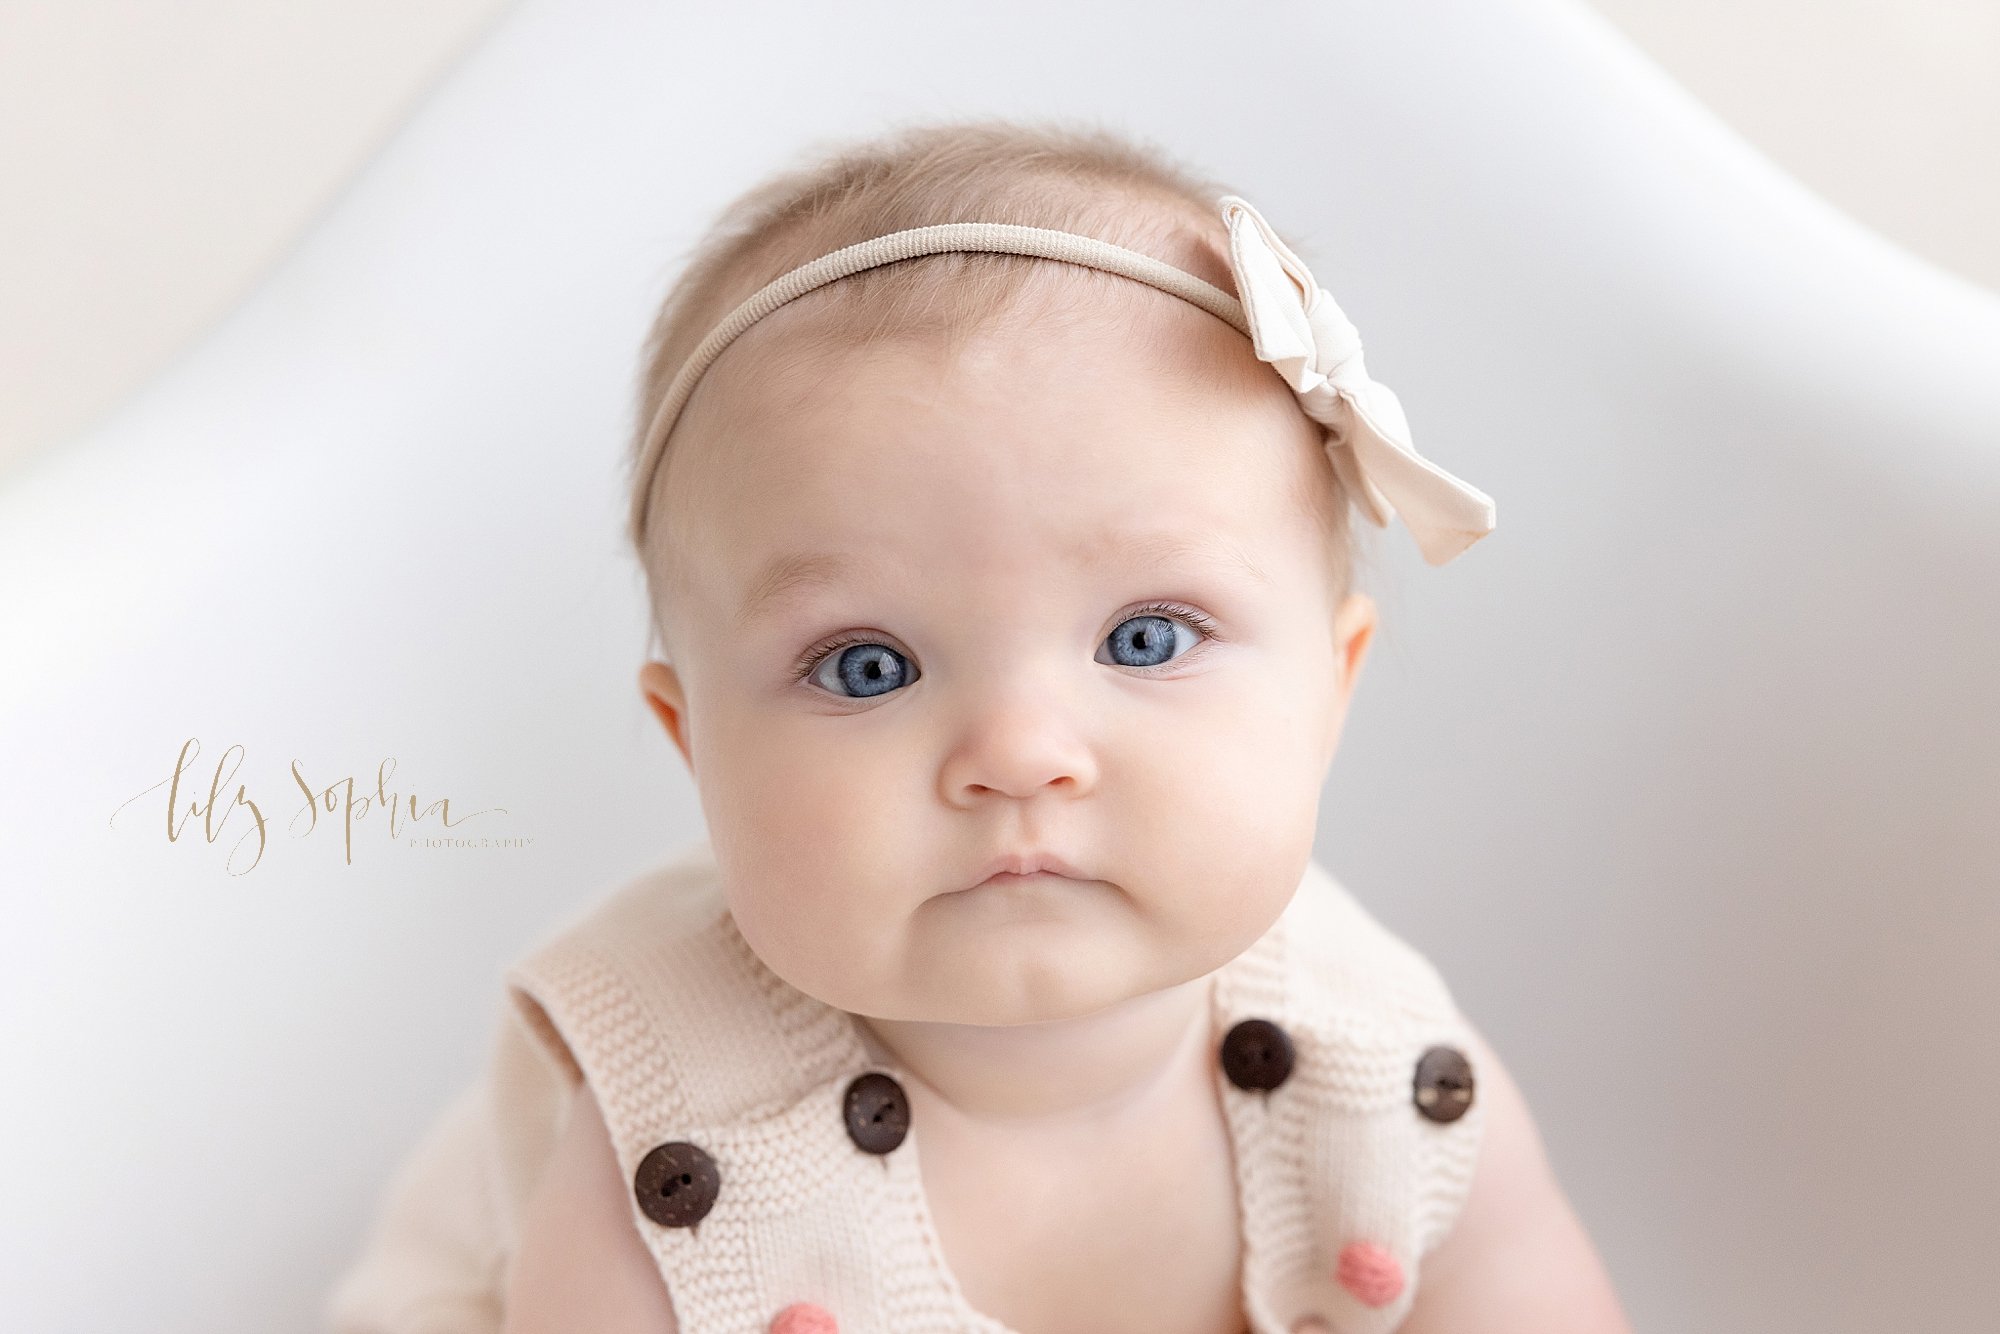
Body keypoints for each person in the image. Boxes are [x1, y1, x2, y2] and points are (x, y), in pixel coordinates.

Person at [326, 116, 1631, 1334]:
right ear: (693, 742)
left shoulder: (1390, 1079)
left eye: (1147, 639)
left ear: (1330, 690)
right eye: (868, 665)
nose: (1018, 751)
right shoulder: (666, 1171)